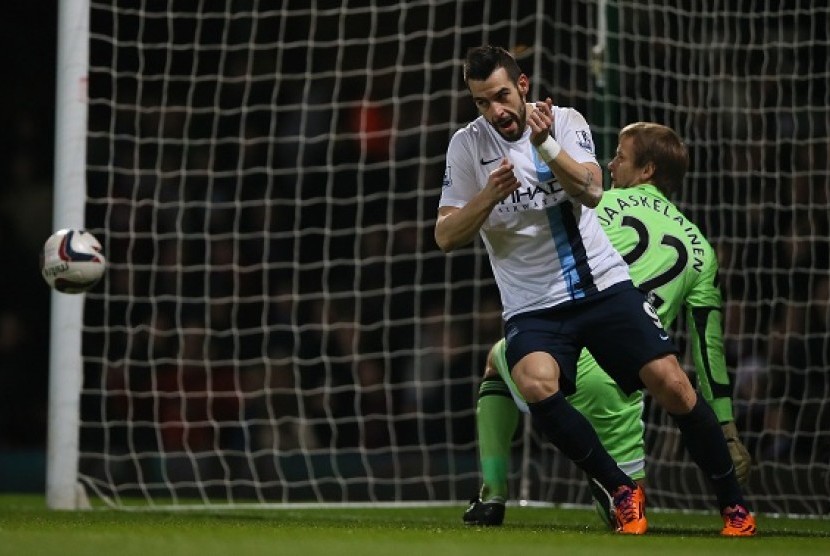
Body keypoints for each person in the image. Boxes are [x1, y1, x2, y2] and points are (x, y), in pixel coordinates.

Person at [434, 45, 756, 536]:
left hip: (600, 286)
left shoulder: (563, 121)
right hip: (533, 307)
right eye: (481, 102)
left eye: (501, 96)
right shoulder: (467, 146)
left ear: (522, 88)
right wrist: (486, 196)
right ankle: (620, 488)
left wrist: (546, 147)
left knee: (673, 383)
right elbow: (445, 235)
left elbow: (591, 188)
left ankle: (733, 506)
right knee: (532, 379)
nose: (494, 111)